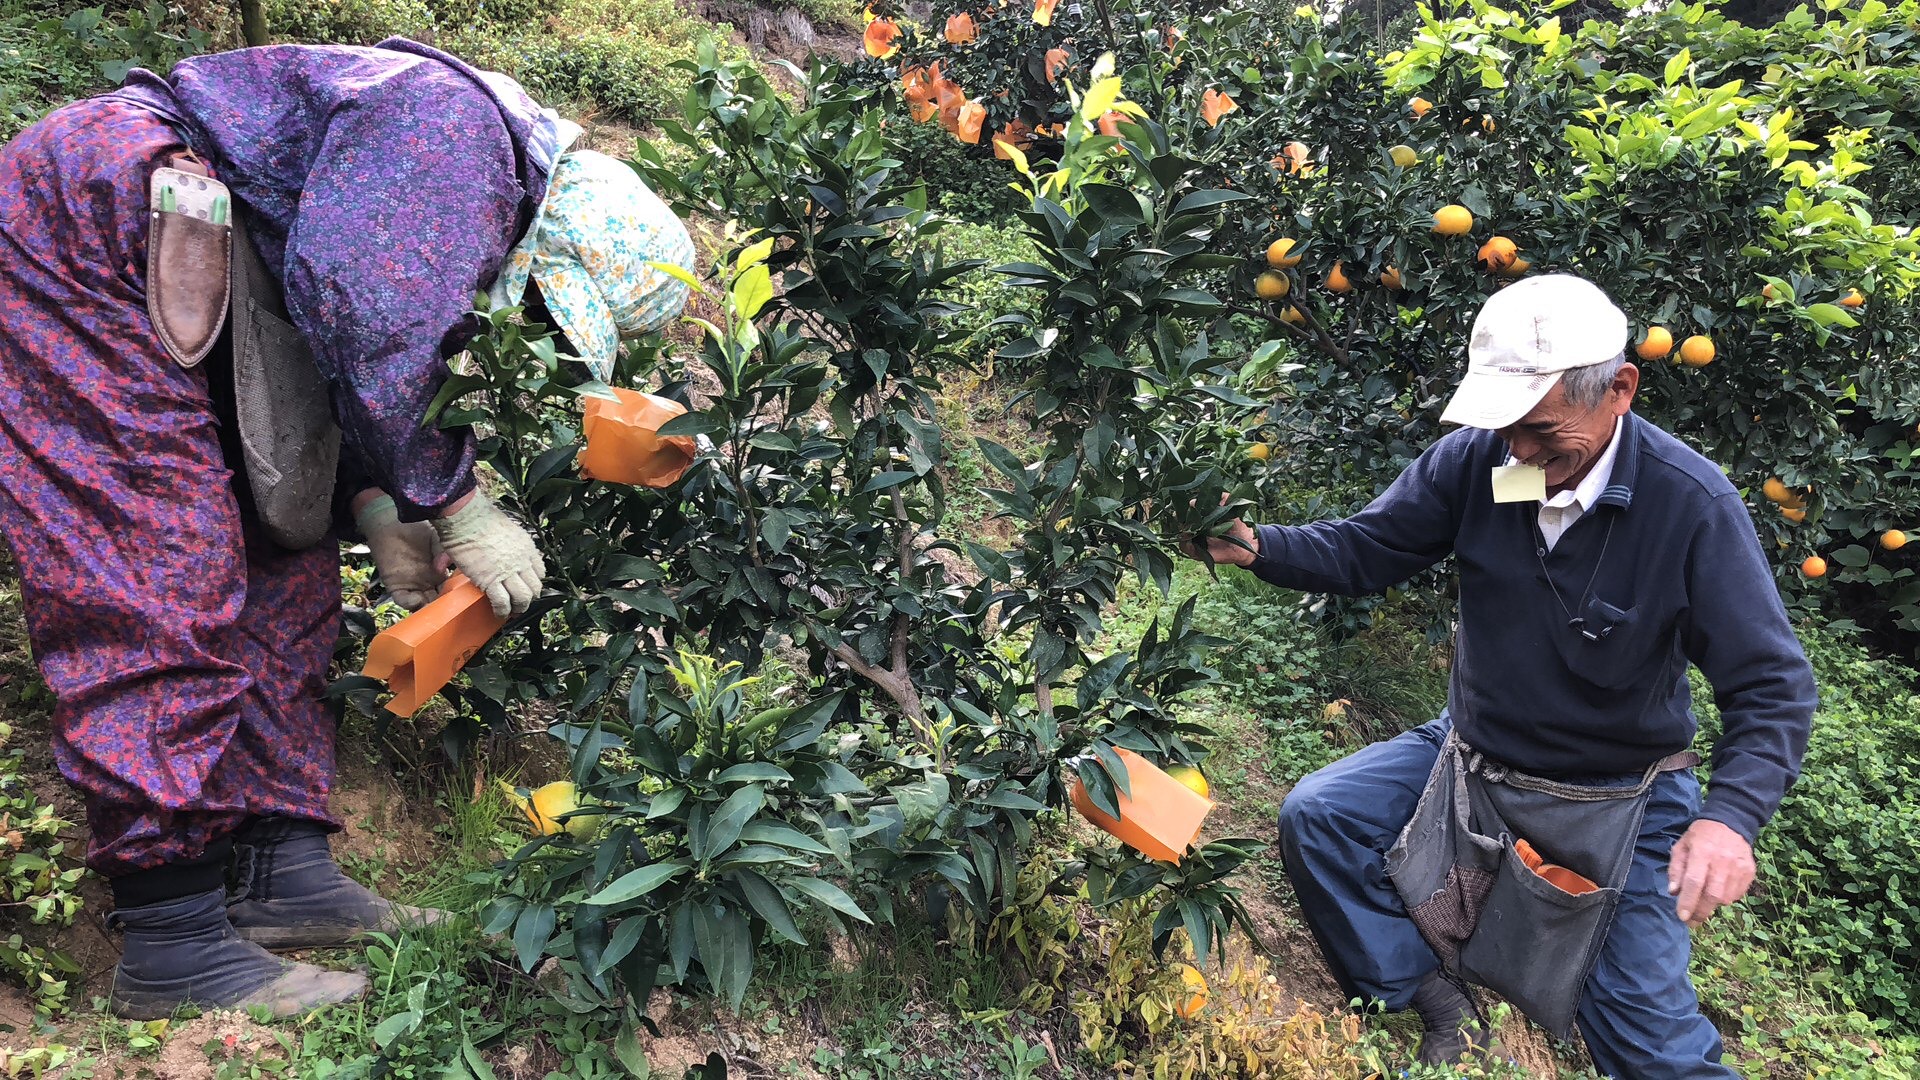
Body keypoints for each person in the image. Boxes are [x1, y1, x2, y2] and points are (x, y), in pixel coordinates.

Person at [0, 38, 694, 1019]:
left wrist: (374, 503)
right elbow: (358, 302)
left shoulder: (462, 179)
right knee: (156, 550)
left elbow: (343, 326)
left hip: (222, 263)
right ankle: (172, 938)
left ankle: (281, 869)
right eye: (543, 303)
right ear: (550, 227)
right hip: (98, 217)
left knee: (285, 549)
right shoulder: (455, 129)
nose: (532, 325)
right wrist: (457, 503)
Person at [1185, 274, 1815, 1076]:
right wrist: (1261, 547)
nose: (1519, 450)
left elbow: (1771, 682)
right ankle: (1435, 999)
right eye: (1506, 428)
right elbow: (1370, 547)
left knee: (1649, 1042)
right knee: (1325, 818)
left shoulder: (1688, 506)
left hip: (1616, 798)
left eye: (1541, 430)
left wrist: (1731, 818)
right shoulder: (1499, 464)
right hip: (1474, 755)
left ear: (1620, 388)